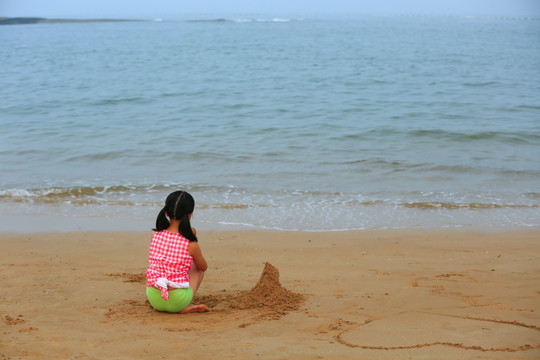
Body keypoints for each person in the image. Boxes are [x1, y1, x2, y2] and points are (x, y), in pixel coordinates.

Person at [145, 190, 211, 313]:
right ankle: (186, 305)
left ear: (166, 212)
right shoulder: (191, 245)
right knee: (197, 267)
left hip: (154, 297)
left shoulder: (155, 235)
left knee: (166, 265)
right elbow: (203, 267)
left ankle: (164, 303)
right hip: (178, 301)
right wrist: (193, 241)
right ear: (190, 215)